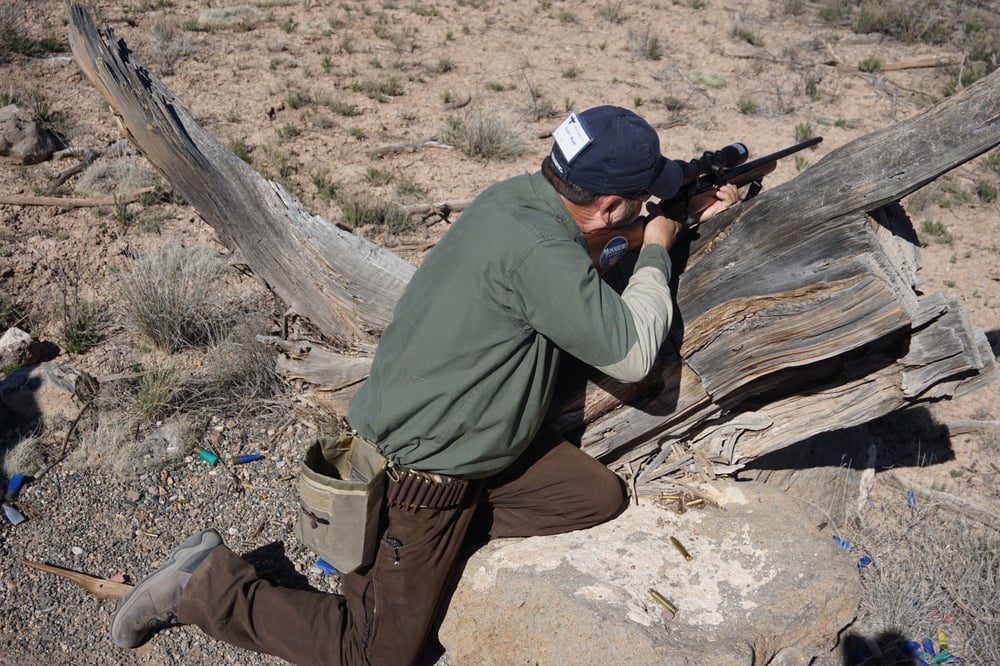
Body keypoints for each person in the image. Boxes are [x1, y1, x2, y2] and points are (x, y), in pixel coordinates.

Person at [110, 105, 738, 666]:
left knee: (594, 497)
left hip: (480, 450)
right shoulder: (543, 249)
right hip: (420, 479)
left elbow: (572, 269)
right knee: (374, 652)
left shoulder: (516, 200)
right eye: (637, 200)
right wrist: (658, 244)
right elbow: (631, 353)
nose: (641, 210)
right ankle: (202, 585)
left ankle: (424, 558)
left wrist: (652, 225)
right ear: (607, 206)